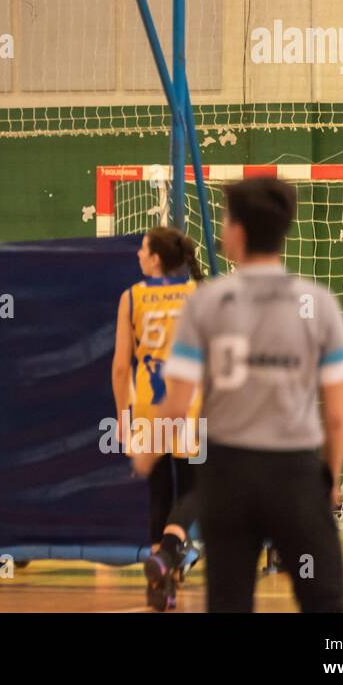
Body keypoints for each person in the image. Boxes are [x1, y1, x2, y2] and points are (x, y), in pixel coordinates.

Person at [143, 177, 343, 612]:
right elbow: (334, 415)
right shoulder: (318, 303)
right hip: (294, 475)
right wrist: (329, 480)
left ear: (237, 231)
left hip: (227, 476)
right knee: (324, 597)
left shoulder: (204, 304)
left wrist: (145, 453)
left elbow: (178, 404)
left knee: (230, 601)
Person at [112, 226, 202, 611]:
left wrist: (122, 417)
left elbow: (120, 367)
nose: (137, 254)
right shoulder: (197, 296)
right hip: (190, 403)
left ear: (155, 259)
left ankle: (162, 585)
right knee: (195, 489)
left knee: (159, 492)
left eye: (143, 249)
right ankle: (167, 552)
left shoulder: (131, 297)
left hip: (150, 405)